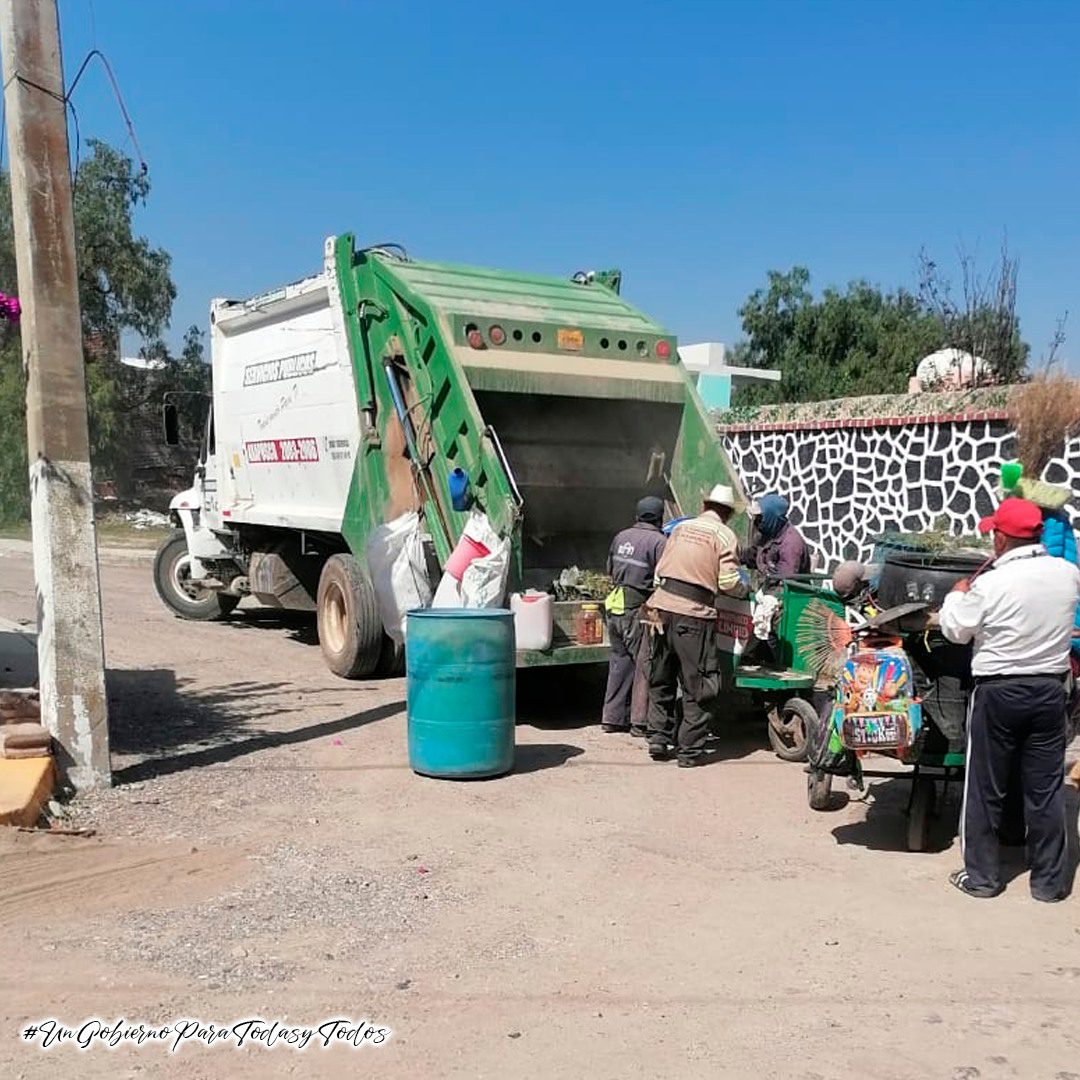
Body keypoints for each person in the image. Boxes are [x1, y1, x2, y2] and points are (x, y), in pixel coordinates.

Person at [938, 496, 1080, 901]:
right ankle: (1050, 884)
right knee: (1046, 789)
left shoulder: (990, 583)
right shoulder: (1068, 574)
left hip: (999, 692)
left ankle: (982, 878)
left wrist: (957, 594)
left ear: (1001, 538)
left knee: (985, 786)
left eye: (993, 534)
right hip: (1051, 691)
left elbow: (956, 630)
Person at [644, 482, 748, 767]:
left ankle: (658, 738)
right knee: (699, 684)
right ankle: (689, 752)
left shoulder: (679, 528)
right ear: (727, 514)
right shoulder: (725, 536)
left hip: (660, 609)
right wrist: (744, 589)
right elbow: (728, 582)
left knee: (661, 676)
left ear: (704, 506)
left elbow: (658, 573)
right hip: (694, 615)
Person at [601, 496, 667, 734]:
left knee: (619, 661)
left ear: (637, 515)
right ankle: (640, 722)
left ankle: (611, 718)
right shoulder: (659, 541)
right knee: (644, 663)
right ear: (660, 517)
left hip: (614, 605)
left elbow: (609, 569)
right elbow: (663, 579)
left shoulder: (621, 536)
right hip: (637, 607)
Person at [746, 492, 811, 580]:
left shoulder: (791, 544)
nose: (757, 521)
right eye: (756, 517)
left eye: (760, 517)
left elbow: (784, 581)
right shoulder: (771, 531)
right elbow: (757, 554)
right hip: (769, 584)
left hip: (789, 590)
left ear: (771, 517)